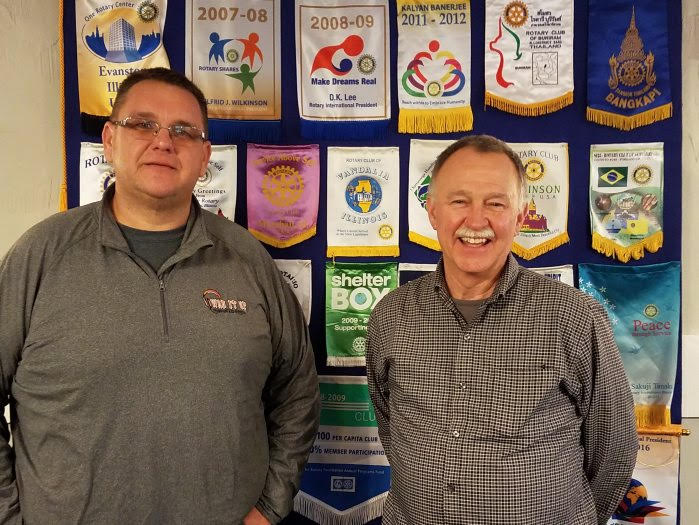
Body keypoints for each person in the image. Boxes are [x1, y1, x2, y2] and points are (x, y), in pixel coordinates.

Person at [0, 67, 320, 524]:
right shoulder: (41, 255)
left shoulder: (247, 258)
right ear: (109, 140)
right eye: (142, 124)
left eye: (183, 131)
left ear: (204, 156)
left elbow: (298, 392)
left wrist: (269, 507)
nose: (163, 142)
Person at [367, 135, 637, 524]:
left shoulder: (574, 316)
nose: (476, 221)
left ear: (521, 216)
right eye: (459, 201)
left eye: (496, 203)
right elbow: (391, 427)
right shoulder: (391, 314)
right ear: (433, 212)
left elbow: (613, 449)